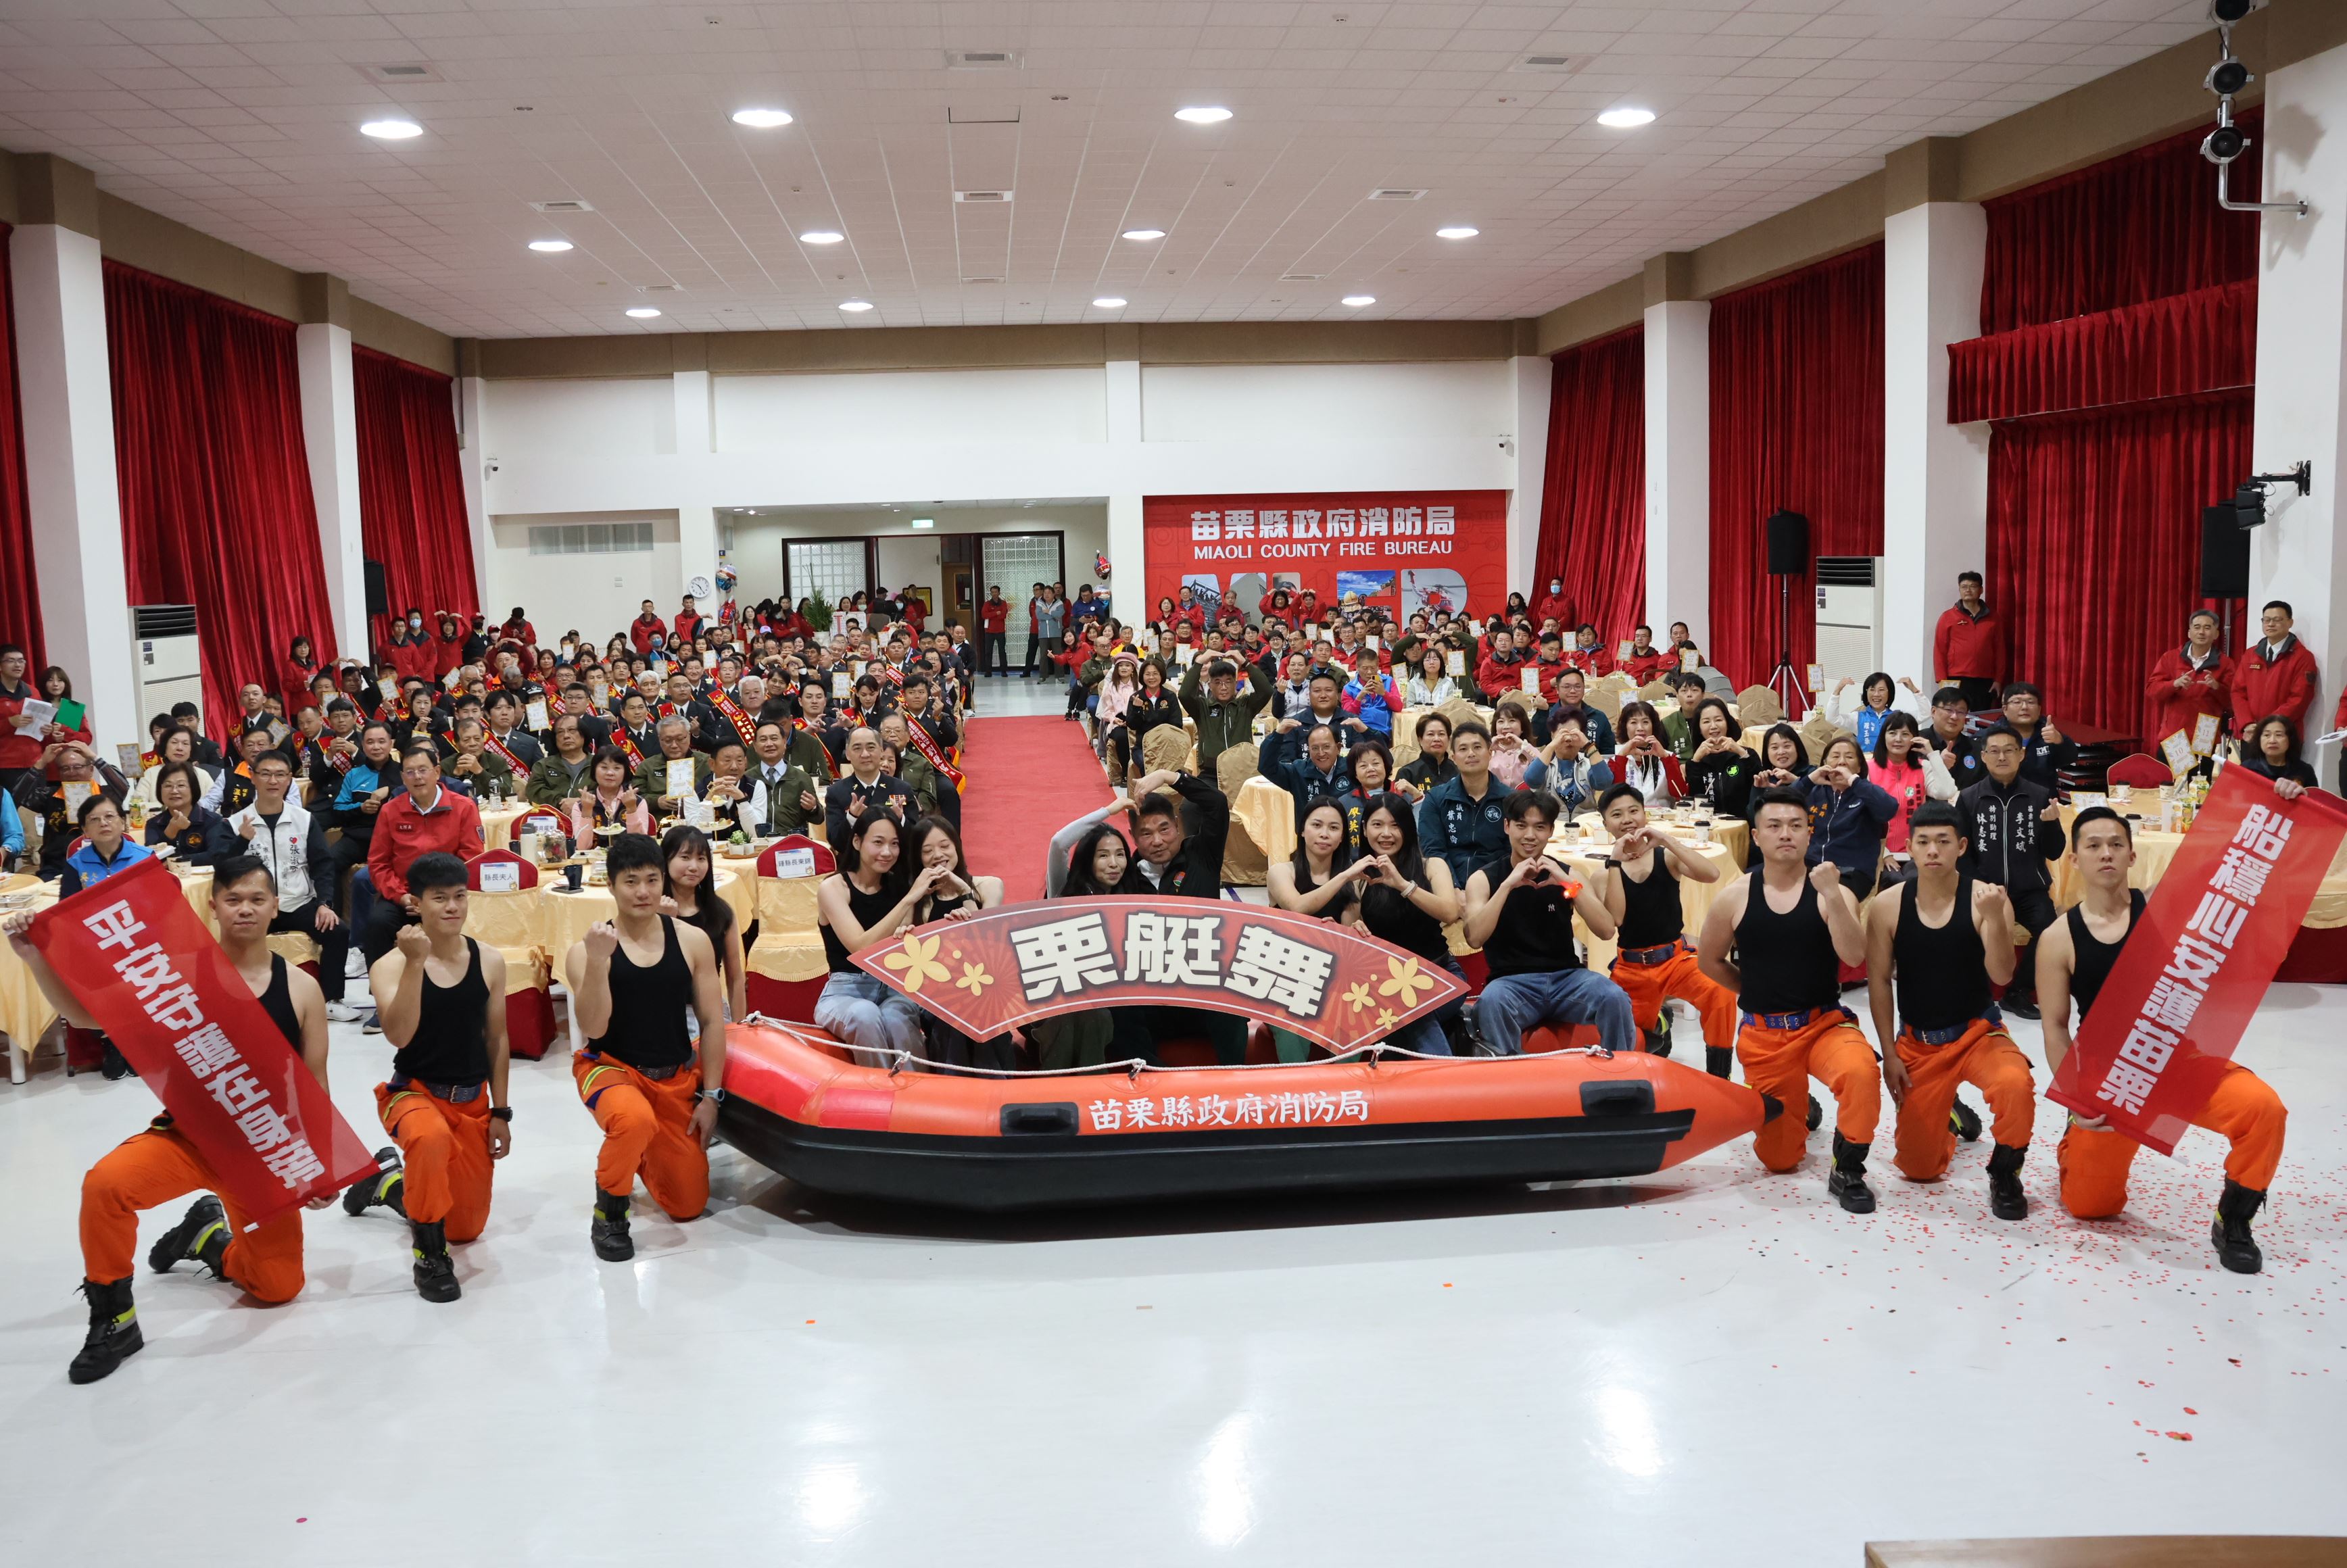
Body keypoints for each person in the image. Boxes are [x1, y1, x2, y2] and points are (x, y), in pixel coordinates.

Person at [9, 854, 330, 1383]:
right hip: (189, 1137)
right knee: (105, 1186)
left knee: (279, 1288)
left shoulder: (301, 988)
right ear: (213, 906)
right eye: (233, 899)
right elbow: (87, 1014)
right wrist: (34, 958)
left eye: (257, 899)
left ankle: (208, 1239)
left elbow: (314, 1084)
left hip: (261, 1148)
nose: (245, 910)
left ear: (276, 906)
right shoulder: (176, 976)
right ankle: (114, 1319)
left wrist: (319, 1165)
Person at [1697, 787, 1880, 1212]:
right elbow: (1709, 961)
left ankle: (1848, 1167)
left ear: (1809, 834)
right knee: (1779, 1161)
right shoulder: (1735, 895)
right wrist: (1754, 991)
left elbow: (1855, 956)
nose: (1785, 834)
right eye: (1774, 826)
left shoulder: (1833, 890)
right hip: (1765, 1037)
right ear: (1756, 836)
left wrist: (1832, 894)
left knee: (1861, 1072)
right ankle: (1798, 1104)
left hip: (1824, 1024)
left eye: (1796, 826)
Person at [341, 852, 510, 1302]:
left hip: (471, 1101)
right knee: (429, 1140)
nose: (452, 907)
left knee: (466, 1229)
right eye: (439, 898)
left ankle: (389, 1184)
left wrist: (501, 1111)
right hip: (413, 1095)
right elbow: (398, 1036)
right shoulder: (389, 965)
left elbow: (497, 1039)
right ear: (416, 904)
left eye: (460, 896)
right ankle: (429, 1257)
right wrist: (415, 963)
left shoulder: (489, 960)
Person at [564, 831, 728, 1262]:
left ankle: (637, 1150)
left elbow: (713, 1023)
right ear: (611, 886)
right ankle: (610, 1212)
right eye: (631, 882)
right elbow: (593, 1027)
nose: (643, 892)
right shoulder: (586, 951)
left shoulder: (691, 940)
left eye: (652, 880)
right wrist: (598, 961)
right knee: (632, 1119)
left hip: (671, 1078)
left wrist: (712, 1096)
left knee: (687, 1206)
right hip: (609, 1068)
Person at [1862, 802, 2030, 1219]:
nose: (1933, 850)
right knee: (1919, 1169)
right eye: (1923, 842)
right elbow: (1879, 981)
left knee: (2016, 1085)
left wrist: (1995, 920)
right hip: (1919, 1043)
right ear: (1909, 848)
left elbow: (2002, 974)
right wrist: (1890, 1054)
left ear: (1962, 846)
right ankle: (1949, 1114)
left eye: (1943, 841)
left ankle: (2005, 1172)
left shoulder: (1987, 899)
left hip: (1978, 1034)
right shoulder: (1887, 905)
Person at [1461, 791, 1635, 1056]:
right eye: (1521, 826)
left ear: (1551, 831)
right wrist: (1507, 886)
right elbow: (1475, 938)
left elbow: (1606, 930)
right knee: (1490, 1004)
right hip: (1511, 983)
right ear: (1507, 826)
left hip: (1567, 978)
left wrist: (1569, 885)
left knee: (1614, 998)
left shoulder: (1567, 874)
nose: (1530, 835)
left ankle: (1622, 1072)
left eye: (1540, 827)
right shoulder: (1484, 878)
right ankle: (1509, 1076)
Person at [1597, 783, 1735, 1077]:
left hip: (1677, 959)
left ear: (1645, 815)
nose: (1627, 820)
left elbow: (1711, 874)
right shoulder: (1603, 873)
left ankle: (1719, 1076)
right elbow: (1616, 919)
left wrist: (1667, 840)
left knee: (1720, 991)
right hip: (1632, 968)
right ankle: (1661, 1022)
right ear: (1605, 824)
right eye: (1617, 815)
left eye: (1634, 811)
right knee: (1628, 1046)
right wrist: (1614, 862)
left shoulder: (1666, 857)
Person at [229, 749, 359, 1022]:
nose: (273, 781)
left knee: (337, 931)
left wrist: (325, 904)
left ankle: (331, 1000)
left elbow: (323, 865)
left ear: (290, 779)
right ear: (253, 777)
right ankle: (243, 1002)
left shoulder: (304, 818)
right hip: (254, 907)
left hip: (297, 901)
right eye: (266, 774)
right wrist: (241, 841)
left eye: (280, 775)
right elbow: (224, 868)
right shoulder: (236, 823)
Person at [1956, 726, 2064, 1019]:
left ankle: (2018, 993)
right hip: (1985, 889)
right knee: (1964, 930)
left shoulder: (2040, 795)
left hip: (2029, 889)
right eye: (1994, 751)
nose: (2002, 757)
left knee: (2050, 931)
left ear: (2022, 754)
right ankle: (1973, 992)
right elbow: (1961, 852)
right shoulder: (1969, 797)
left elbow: (2054, 851)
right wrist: (1978, 885)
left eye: (2009, 750)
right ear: (1983, 756)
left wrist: (2051, 825)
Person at [813, 812, 931, 1067]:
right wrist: (909, 900)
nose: (887, 852)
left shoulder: (899, 886)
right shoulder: (833, 888)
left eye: (894, 844)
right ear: (857, 842)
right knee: (865, 1014)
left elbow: (904, 947)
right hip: (844, 990)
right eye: (878, 842)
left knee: (897, 1018)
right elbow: (861, 947)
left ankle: (919, 1086)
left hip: (892, 986)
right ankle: (878, 1089)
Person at [1350, 793, 1466, 1055]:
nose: (1386, 834)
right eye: (1377, 825)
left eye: (1396, 825)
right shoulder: (1358, 876)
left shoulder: (1431, 866)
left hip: (1441, 978)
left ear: (1408, 829)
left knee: (1410, 1012)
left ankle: (1442, 1077)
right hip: (1383, 987)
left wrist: (1403, 885)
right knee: (1400, 1012)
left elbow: (1450, 912)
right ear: (1365, 829)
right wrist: (1354, 929)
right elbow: (1351, 932)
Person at [363, 745, 485, 968]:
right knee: (377, 923)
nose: (417, 777)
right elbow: (379, 863)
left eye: (423, 770)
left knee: (475, 922)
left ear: (437, 772)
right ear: (403, 778)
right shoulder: (390, 811)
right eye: (410, 772)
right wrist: (402, 896)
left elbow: (472, 858)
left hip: (448, 896)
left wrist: (438, 897)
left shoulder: (463, 807)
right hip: (406, 896)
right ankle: (382, 985)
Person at [660, 825, 746, 1022]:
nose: (694, 866)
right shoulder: (653, 911)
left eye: (701, 858)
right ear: (665, 860)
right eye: (685, 857)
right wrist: (665, 922)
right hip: (664, 1011)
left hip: (711, 1007)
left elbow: (735, 978)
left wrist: (739, 1027)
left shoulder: (720, 913)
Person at [1418, 718, 1515, 885]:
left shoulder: (1511, 800)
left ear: (1490, 753)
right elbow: (1433, 851)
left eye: (1477, 747)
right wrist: (1454, 888)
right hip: (1447, 886)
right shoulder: (1436, 798)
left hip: (1496, 885)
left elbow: (1513, 851)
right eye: (1463, 749)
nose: (1471, 754)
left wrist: (1484, 889)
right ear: (1454, 758)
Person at [1801, 734, 1899, 897]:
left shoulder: (1866, 793)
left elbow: (1889, 809)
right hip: (1809, 866)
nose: (1842, 762)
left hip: (1852, 873)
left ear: (1859, 767)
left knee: (1820, 895)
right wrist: (1808, 781)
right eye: (1835, 756)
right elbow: (1779, 806)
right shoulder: (1813, 792)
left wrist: (1854, 781)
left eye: (1849, 757)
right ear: (1825, 763)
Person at [1867, 712, 1958, 857]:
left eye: (1905, 734)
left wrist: (1932, 755)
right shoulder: (1868, 769)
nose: (1898, 739)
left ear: (1914, 738)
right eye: (1892, 733)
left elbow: (1946, 792)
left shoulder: (1923, 767)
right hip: (1878, 853)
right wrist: (1884, 854)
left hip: (1915, 853)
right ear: (1884, 736)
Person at [823, 727, 915, 868]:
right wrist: (852, 818)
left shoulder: (902, 788)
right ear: (848, 754)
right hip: (855, 869)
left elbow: (915, 839)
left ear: (881, 751)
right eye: (857, 748)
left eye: (871, 747)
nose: (865, 754)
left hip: (895, 868)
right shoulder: (836, 792)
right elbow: (837, 843)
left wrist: (900, 820)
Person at [2145, 609, 2235, 744]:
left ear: (2216, 634)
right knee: (2169, 760)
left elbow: (2232, 702)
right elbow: (2152, 690)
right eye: (2197, 627)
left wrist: (2217, 687)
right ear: (2189, 633)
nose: (2201, 632)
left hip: (2206, 731)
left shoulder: (2225, 663)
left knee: (2203, 760)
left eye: (2207, 628)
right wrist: (2174, 684)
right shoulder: (2171, 658)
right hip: (2175, 731)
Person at [1180, 656, 1270, 780]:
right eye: (1218, 682)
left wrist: (1245, 663)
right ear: (1210, 685)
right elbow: (1184, 695)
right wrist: (1199, 663)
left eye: (1228, 682)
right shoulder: (1202, 707)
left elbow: (1266, 691)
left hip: (1242, 770)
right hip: (1211, 772)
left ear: (1235, 683)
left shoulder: (1245, 705)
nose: (1223, 687)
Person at [2234, 599, 2319, 731]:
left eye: (2277, 620)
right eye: (2266, 620)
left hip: (2284, 732)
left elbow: (2300, 699)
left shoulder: (2303, 657)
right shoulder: (2250, 654)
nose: (2271, 624)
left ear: (2290, 623)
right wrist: (2247, 723)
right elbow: (2238, 692)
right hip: (2251, 732)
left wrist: (2268, 727)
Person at [1932, 570, 2003, 713]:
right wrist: (1942, 680)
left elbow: (2000, 651)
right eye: (1964, 587)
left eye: (1973, 586)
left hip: (1985, 679)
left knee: (1980, 718)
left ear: (1981, 590)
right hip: (1956, 678)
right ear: (1959, 590)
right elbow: (1940, 650)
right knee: (1956, 715)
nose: (1968, 590)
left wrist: (1998, 680)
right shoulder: (1948, 617)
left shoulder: (1993, 618)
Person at [143, 760, 233, 865]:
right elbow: (151, 860)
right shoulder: (154, 824)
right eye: (168, 786)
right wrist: (170, 832)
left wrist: (179, 860)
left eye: (181, 785)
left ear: (193, 789)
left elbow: (216, 856)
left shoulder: (212, 820)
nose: (174, 791)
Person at [745, 721, 823, 837]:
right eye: (763, 740)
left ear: (785, 742)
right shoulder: (747, 779)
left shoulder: (801, 778)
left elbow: (818, 819)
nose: (769, 744)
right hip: (756, 843)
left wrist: (813, 808)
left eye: (774, 738)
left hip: (791, 843)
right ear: (755, 746)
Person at [1683, 697, 1758, 818]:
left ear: (1728, 723)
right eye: (1706, 722)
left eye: (1718, 720)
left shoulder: (1747, 754)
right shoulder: (1696, 762)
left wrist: (1742, 753)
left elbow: (1761, 788)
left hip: (1743, 825)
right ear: (1699, 729)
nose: (1713, 726)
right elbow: (1695, 800)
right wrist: (1695, 762)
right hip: (1709, 825)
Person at [1820, 671, 1922, 756]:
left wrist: (1914, 690)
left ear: (1889, 693)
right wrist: (1837, 690)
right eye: (1872, 690)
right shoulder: (1857, 718)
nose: (1876, 694)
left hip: (1892, 765)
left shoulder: (1897, 719)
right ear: (1866, 693)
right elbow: (1832, 718)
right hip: (1867, 767)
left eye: (1881, 690)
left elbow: (1924, 714)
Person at [1997, 683, 2075, 793]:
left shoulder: (2048, 733)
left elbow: (2071, 758)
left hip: (2045, 800)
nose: (2024, 707)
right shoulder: (1991, 737)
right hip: (2004, 799)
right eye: (2017, 702)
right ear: (2005, 709)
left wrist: (2060, 741)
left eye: (2031, 702)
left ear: (2039, 710)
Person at [1613, 701, 1685, 806]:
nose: (1640, 728)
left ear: (1653, 726)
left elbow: (1680, 793)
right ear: (1625, 727)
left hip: (1662, 815)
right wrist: (1622, 756)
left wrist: (1665, 758)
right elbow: (1614, 797)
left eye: (1645, 722)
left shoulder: (1668, 757)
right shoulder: (1616, 759)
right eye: (1633, 722)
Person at [2239, 714, 2319, 787]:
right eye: (2267, 735)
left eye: (2279, 735)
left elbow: (2315, 797)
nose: (2272, 741)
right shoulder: (2247, 768)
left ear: (2290, 739)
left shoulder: (2304, 770)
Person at [1397, 711, 1456, 791]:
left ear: (1449, 739)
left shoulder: (1459, 771)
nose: (1437, 739)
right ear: (1420, 740)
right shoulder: (1407, 773)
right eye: (1431, 734)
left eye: (1441, 734)